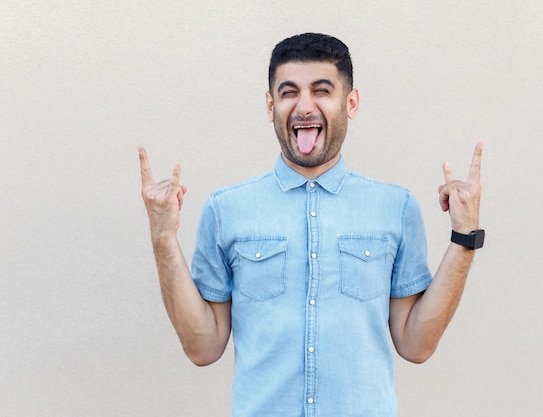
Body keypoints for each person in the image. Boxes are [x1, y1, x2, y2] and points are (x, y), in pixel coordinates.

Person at [139, 33, 483, 417]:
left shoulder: (395, 207)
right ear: (270, 106)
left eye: (322, 91)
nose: (304, 107)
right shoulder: (226, 210)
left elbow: (416, 344)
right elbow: (203, 348)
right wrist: (162, 236)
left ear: (350, 103)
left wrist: (464, 237)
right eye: (289, 93)